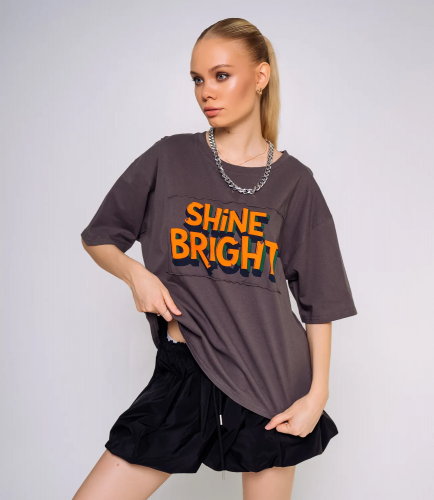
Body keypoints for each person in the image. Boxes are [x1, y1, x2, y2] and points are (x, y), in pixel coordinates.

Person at [73, 17, 357, 500]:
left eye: (221, 75)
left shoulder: (295, 182)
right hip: (186, 368)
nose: (206, 91)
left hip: (271, 380)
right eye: (197, 79)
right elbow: (99, 236)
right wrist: (135, 274)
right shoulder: (169, 158)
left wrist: (317, 395)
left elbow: (320, 300)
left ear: (260, 77)